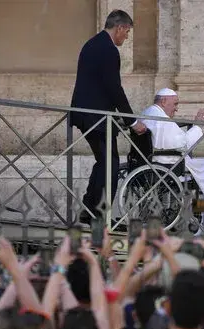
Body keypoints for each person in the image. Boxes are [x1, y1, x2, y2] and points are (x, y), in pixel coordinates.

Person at [69, 9, 147, 225]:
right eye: (127, 32)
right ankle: (99, 216)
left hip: (89, 115)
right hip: (97, 118)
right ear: (120, 27)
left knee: (104, 162)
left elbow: (99, 86)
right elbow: (114, 89)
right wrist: (132, 121)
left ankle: (89, 210)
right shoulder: (108, 50)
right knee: (110, 166)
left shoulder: (93, 44)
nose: (127, 37)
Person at [140, 88, 204, 230]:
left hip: (158, 161)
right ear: (163, 101)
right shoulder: (161, 118)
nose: (176, 109)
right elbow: (183, 144)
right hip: (169, 164)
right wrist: (198, 126)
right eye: (175, 104)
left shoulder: (148, 113)